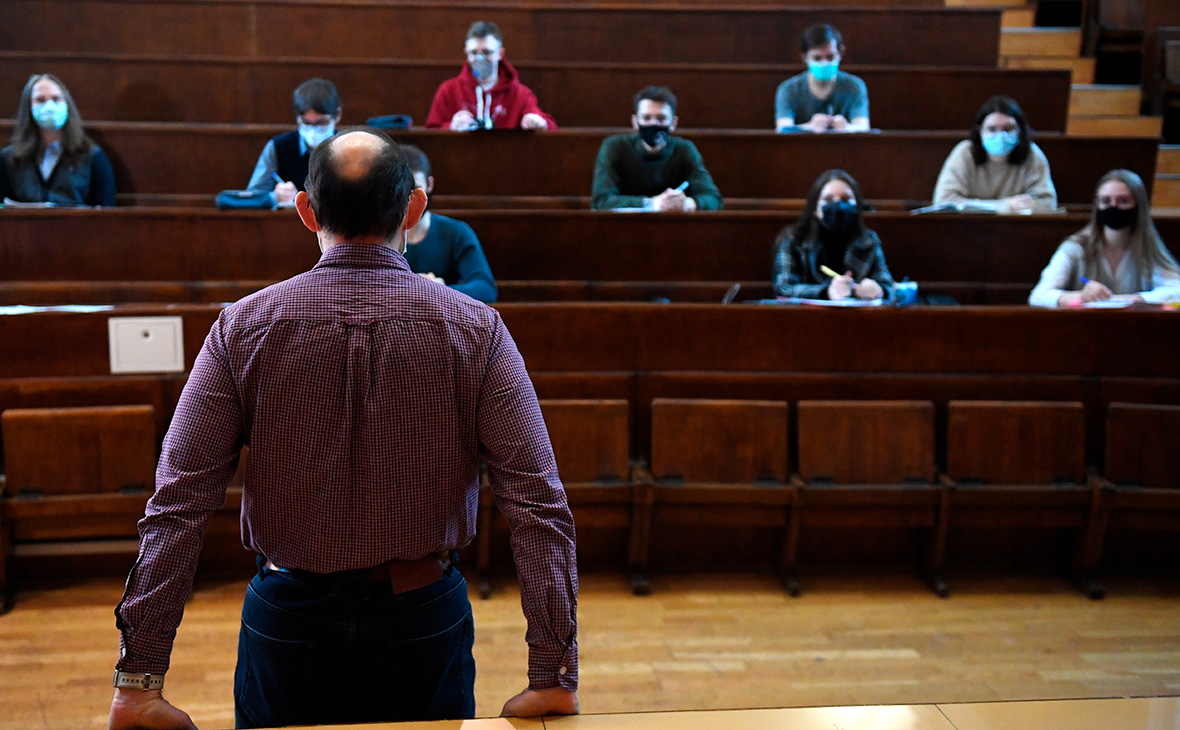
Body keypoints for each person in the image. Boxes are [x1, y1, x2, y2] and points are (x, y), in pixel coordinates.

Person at [108, 129, 579, 730]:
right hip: (422, 616)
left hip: (287, 619)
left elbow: (177, 504)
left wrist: (137, 681)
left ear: (307, 212)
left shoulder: (242, 328)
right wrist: (554, 672)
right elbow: (539, 503)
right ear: (414, 206)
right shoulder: (477, 330)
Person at [1029, 169, 1180, 307]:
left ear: (1138, 205)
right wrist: (1080, 296)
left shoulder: (1146, 247)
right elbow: (1038, 296)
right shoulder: (1076, 247)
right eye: (1105, 201)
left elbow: (1176, 290)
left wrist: (1137, 299)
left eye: (1122, 201)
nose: (1113, 207)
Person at [591, 86, 723, 211]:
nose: (653, 124)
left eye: (661, 118)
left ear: (673, 123)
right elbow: (601, 201)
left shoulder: (684, 149)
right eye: (646, 118)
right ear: (635, 122)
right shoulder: (614, 146)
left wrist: (687, 203)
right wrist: (652, 203)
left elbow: (714, 200)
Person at [773, 169, 893, 300]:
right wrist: (826, 292)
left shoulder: (868, 240)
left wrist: (879, 291)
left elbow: (889, 286)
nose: (838, 206)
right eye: (828, 200)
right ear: (814, 208)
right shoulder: (794, 238)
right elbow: (783, 288)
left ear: (857, 206)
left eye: (846, 199)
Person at [0, 73, 115, 206]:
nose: (49, 106)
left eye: (56, 99)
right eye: (40, 100)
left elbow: (107, 213)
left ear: (67, 105)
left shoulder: (92, 156)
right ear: (29, 108)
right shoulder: (9, 158)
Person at [401, 144, 498, 302]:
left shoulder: (455, 232)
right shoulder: (379, 234)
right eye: (402, 189)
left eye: (416, 189)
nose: (409, 199)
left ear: (430, 184)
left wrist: (440, 289)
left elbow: (486, 289)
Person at [932, 95, 1057, 214]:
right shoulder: (964, 153)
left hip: (1017, 229)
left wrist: (1028, 207)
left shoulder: (1032, 154)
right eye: (992, 129)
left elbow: (1048, 203)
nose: (1000, 136)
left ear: (1019, 130)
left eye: (1008, 129)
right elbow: (943, 202)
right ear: (980, 131)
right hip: (969, 228)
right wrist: (1003, 207)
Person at [425, 21, 557, 131]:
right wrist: (451, 127)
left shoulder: (520, 94)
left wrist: (539, 123)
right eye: (474, 52)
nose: (480, 59)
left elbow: (549, 127)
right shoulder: (448, 90)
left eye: (487, 52)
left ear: (500, 54)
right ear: (466, 53)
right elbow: (431, 133)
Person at [246, 78, 342, 205]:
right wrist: (274, 197)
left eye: (322, 122)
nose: (314, 130)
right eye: (306, 123)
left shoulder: (350, 147)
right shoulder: (278, 147)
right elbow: (251, 198)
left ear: (337, 115)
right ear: (298, 118)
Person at [775, 24, 870, 133]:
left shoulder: (854, 85)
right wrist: (810, 127)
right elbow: (782, 130)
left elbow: (863, 129)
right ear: (804, 57)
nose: (824, 63)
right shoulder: (789, 89)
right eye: (817, 58)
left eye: (830, 57)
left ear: (840, 53)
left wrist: (847, 127)